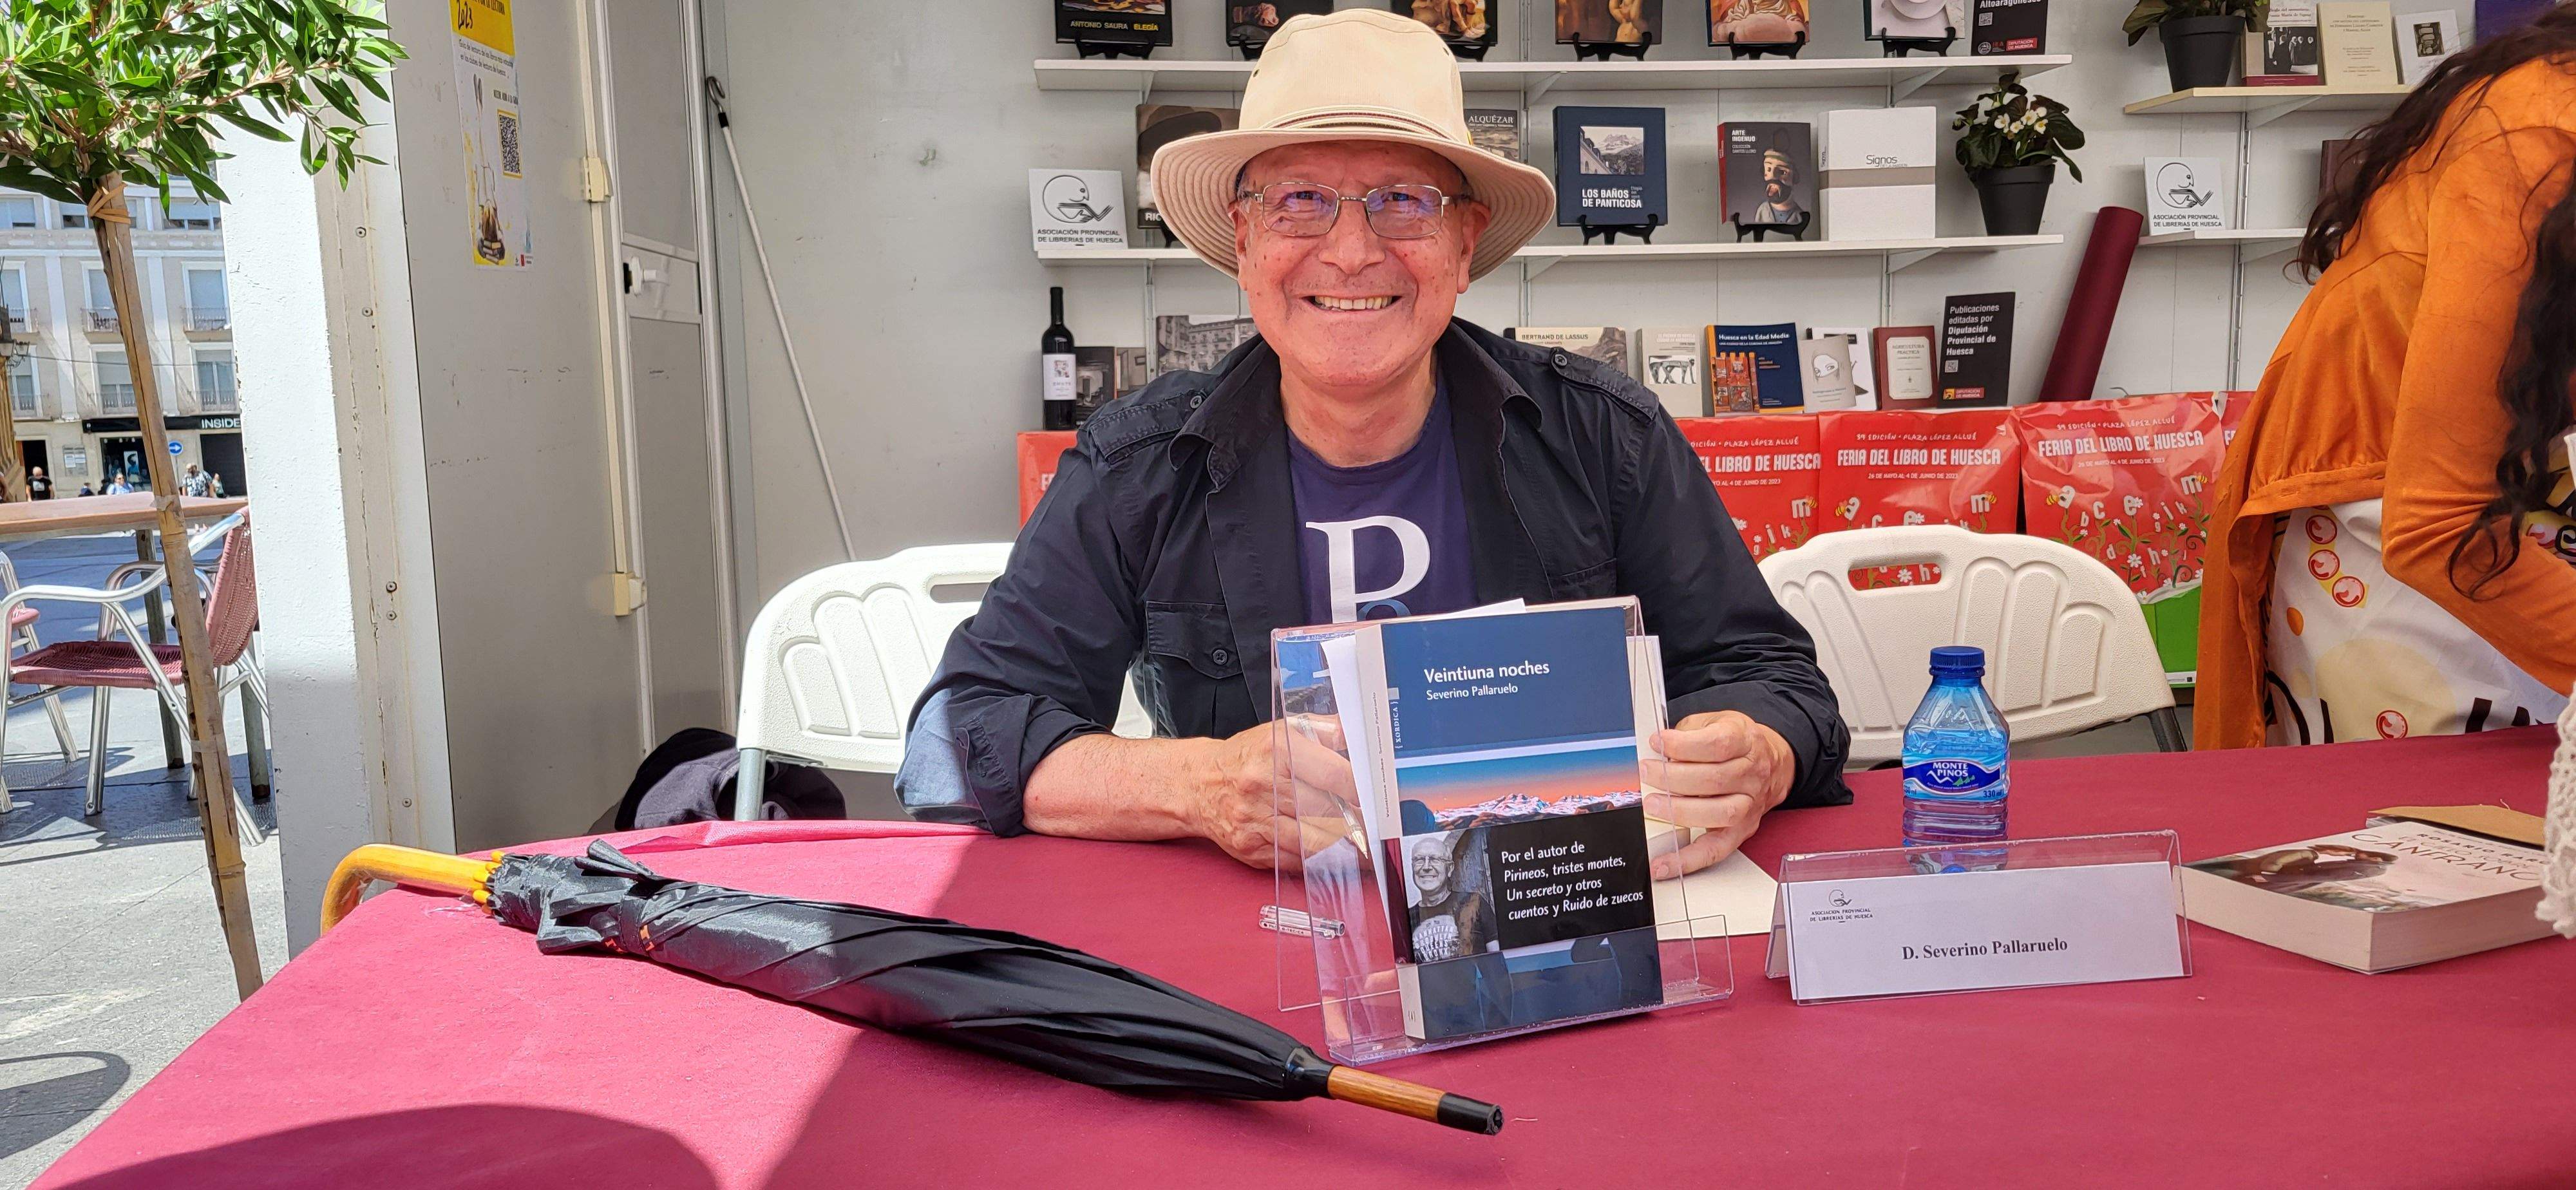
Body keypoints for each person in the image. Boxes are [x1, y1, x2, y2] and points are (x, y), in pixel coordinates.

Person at [900, 10, 1847, 879]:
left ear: (1466, 244)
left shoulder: (1608, 435)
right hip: (1252, 949)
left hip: (1552, 921)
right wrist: (1197, 787)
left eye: (1405, 200)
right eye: (1300, 200)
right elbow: (961, 733)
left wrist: (1752, 754)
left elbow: (1774, 681)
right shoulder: (1137, 466)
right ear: (1242, 240)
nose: (1352, 252)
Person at [2199, 10, 2576, 748]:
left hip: (2511, 497)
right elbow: (2438, 523)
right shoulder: (2537, 132)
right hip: (2393, 520)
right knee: (2445, 834)